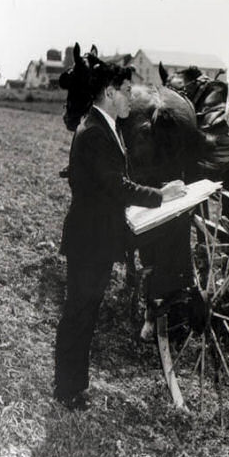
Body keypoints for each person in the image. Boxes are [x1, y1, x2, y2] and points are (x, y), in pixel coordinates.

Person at [54, 61, 189, 411]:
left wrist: (161, 193)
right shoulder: (95, 132)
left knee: (86, 309)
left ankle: (73, 385)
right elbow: (117, 185)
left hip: (102, 231)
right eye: (127, 91)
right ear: (110, 94)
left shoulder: (107, 125)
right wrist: (160, 196)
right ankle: (67, 390)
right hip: (91, 237)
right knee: (79, 312)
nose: (131, 97)